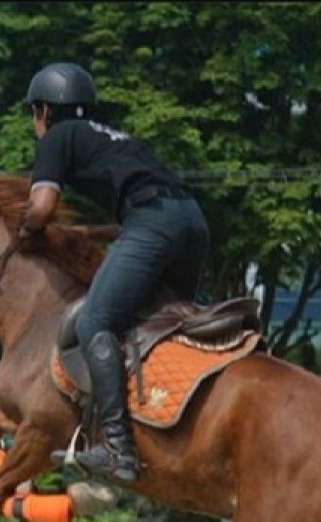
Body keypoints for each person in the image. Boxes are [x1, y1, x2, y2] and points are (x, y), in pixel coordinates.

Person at [18, 62, 210, 484]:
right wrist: (80, 233)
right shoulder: (116, 138)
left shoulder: (57, 137)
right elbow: (138, 216)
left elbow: (42, 207)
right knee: (162, 324)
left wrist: (25, 227)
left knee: (95, 321)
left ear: (45, 110)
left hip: (153, 225)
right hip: (191, 224)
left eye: (34, 112)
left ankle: (117, 450)